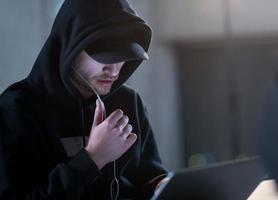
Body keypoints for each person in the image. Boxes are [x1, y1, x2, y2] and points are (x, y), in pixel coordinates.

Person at [0, 0, 168, 199]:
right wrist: (93, 158)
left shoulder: (128, 102)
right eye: (104, 56)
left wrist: (161, 186)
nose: (113, 71)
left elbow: (148, 178)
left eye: (123, 56)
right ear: (70, 46)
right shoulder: (17, 109)